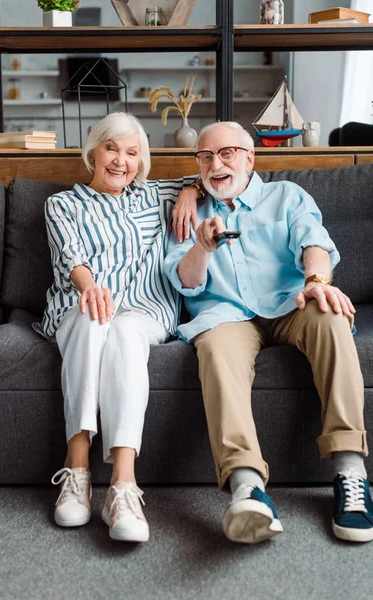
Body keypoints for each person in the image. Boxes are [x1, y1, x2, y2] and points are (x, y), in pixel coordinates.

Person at [164, 120, 373, 544]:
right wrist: (202, 247)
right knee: (216, 351)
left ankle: (351, 473)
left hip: (289, 303)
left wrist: (317, 281)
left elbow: (314, 242)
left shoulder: (286, 196)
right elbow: (184, 281)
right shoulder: (185, 211)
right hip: (225, 314)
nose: (216, 164)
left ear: (250, 157)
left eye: (227, 154)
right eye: (205, 157)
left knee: (332, 317)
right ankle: (247, 488)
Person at [35, 112, 201, 542]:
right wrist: (89, 287)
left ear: (141, 162)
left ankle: (122, 489)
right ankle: (77, 473)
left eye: (132, 153)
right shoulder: (62, 204)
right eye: (112, 148)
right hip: (81, 304)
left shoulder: (154, 195)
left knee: (124, 331)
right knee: (95, 320)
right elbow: (71, 255)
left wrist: (188, 190)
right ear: (94, 151)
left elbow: (207, 172)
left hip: (144, 309)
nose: (120, 161)